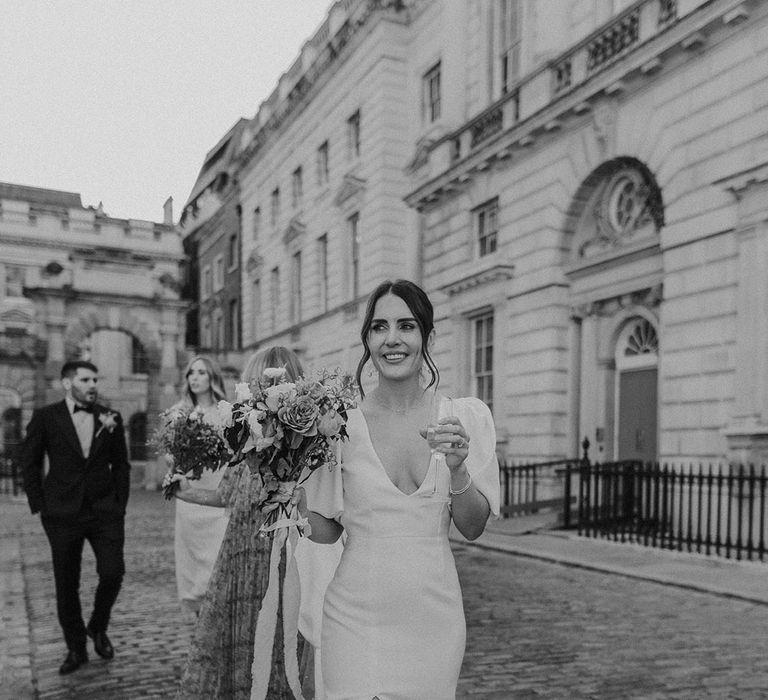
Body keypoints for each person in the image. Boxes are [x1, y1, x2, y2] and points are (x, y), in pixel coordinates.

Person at [300, 279, 500, 699]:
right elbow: (326, 531)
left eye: (406, 326)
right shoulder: (338, 425)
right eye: (379, 327)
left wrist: (459, 470)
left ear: (427, 335)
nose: (392, 339)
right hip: (353, 617)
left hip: (434, 621)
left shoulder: (463, 417)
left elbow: (473, 527)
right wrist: (288, 487)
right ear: (368, 340)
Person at [174, 346, 342, 699]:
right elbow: (225, 496)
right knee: (248, 651)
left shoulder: (307, 448)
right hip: (241, 562)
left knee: (282, 650)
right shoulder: (245, 442)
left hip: (282, 565)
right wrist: (183, 490)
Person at [21, 359, 131, 675]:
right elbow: (29, 461)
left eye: (96, 379)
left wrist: (120, 504)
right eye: (85, 380)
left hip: (104, 512)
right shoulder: (46, 417)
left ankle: (97, 626)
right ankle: (75, 648)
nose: (93, 385)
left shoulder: (111, 417)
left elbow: (121, 465)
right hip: (61, 514)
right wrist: (40, 505)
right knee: (66, 583)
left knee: (113, 572)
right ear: (68, 383)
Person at [169, 355, 230, 617]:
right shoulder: (177, 413)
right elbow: (169, 457)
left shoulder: (226, 412)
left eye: (202, 372)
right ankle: (200, 618)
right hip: (189, 497)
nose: (194, 378)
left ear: (212, 377)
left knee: (216, 560)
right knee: (193, 563)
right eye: (191, 373)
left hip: (216, 495)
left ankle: (217, 615)